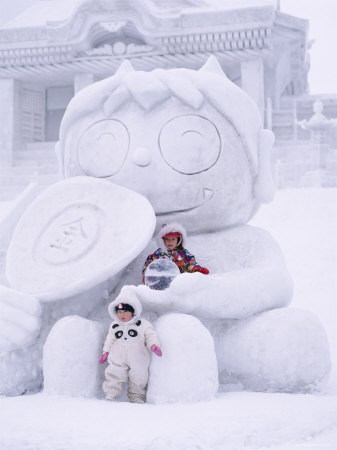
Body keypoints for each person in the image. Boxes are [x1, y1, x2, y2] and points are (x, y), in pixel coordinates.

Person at [99, 286, 162, 403]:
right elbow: (109, 339)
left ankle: (136, 396)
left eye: (125, 311)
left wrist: (154, 345)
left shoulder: (142, 324)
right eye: (119, 312)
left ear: (133, 311)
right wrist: (105, 352)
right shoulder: (115, 325)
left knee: (139, 376)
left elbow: (150, 335)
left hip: (138, 357)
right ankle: (111, 393)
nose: (121, 315)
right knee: (114, 372)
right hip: (118, 356)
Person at [142, 222, 209, 283]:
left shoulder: (183, 253)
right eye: (167, 239)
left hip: (179, 283)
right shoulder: (157, 255)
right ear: (162, 240)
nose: (170, 242)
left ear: (178, 240)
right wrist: (147, 275)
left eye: (173, 239)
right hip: (162, 283)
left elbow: (190, 263)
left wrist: (197, 270)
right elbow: (149, 265)